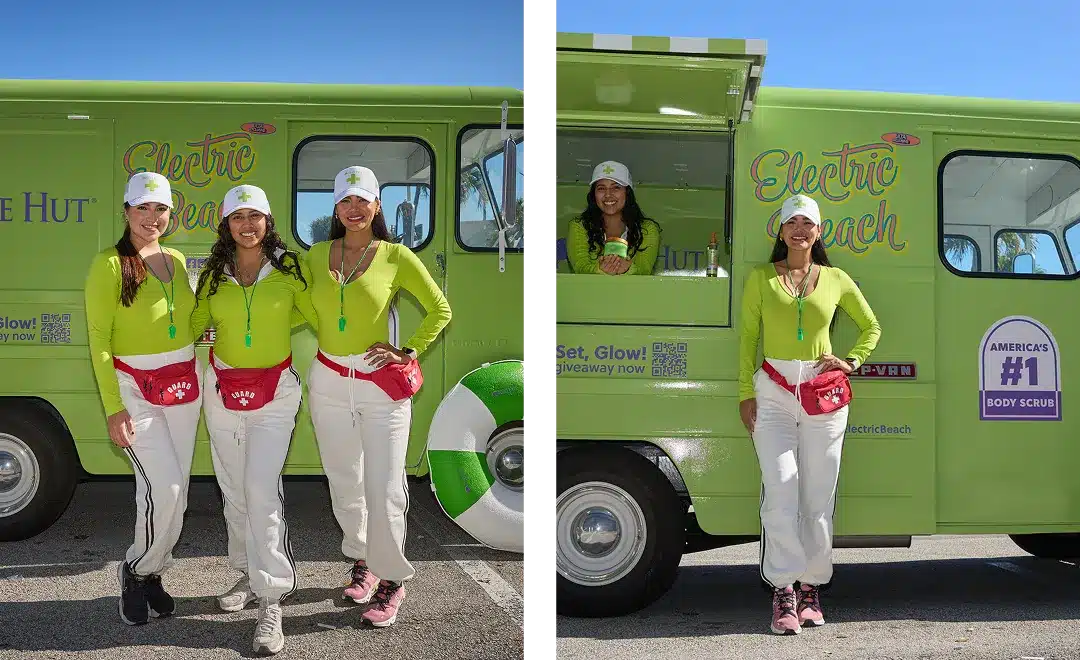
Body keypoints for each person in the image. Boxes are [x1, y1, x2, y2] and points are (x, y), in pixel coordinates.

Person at [305, 165, 451, 627]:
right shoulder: (314, 256)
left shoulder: (397, 255)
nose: (354, 208)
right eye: (345, 200)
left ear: (377, 205)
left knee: (385, 487)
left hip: (379, 387)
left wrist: (406, 350)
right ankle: (364, 561)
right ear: (335, 206)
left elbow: (440, 309)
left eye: (362, 199)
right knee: (345, 484)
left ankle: (392, 579)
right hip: (328, 382)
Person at [737, 194, 881, 636]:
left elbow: (871, 326)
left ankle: (811, 587)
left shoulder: (836, 278)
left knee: (818, 498)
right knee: (780, 490)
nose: (799, 230)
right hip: (774, 392)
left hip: (823, 396)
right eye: (791, 223)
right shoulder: (761, 277)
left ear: (819, 232)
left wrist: (850, 361)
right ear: (780, 232)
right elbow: (748, 337)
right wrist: (746, 393)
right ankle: (782, 590)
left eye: (808, 223)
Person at [191, 184, 318, 655]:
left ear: (268, 222)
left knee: (262, 492)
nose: (247, 225)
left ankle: (271, 600)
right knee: (234, 491)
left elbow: (323, 315)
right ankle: (244, 571)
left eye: (256, 216)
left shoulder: (288, 270)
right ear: (226, 224)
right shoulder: (212, 276)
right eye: (238, 217)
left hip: (276, 394)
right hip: (222, 391)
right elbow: (190, 325)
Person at [84, 172, 202, 626]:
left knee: (174, 494)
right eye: (142, 208)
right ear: (127, 212)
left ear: (171, 215)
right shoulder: (109, 265)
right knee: (164, 488)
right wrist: (114, 407)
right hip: (135, 390)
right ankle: (135, 570)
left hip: (182, 388)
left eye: (160, 209)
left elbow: (189, 322)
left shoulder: (175, 258)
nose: (151, 217)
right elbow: (98, 340)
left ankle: (152, 573)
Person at [565, 160, 660, 275]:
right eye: (601, 188)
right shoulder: (579, 226)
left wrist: (628, 268)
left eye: (616, 188)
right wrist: (599, 269)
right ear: (593, 194)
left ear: (627, 193)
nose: (608, 195)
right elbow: (581, 268)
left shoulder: (647, 229)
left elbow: (644, 270)